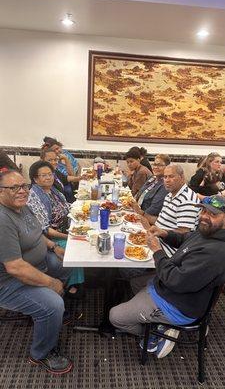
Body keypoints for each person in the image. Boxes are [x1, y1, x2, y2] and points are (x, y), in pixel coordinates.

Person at [110, 195, 225, 359]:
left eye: (213, 214)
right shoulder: (207, 232)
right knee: (135, 282)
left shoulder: (215, 253)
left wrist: (157, 251)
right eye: (203, 210)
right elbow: (186, 239)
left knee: (115, 317)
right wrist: (165, 233)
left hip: (179, 304)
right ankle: (158, 322)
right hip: (173, 288)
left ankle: (155, 332)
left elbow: (175, 280)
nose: (204, 216)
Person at [0, 169, 73, 374]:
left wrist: (53, 246)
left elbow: (37, 234)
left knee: (68, 262)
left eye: (24, 186)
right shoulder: (2, 220)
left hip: (37, 264)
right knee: (53, 304)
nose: (22, 191)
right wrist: (51, 283)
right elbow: (15, 267)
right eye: (14, 187)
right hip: (9, 282)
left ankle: (50, 316)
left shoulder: (22, 207)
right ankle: (41, 354)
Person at [27, 160, 84, 295]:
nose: (49, 177)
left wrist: (80, 209)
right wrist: (69, 236)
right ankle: (71, 286)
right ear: (35, 179)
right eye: (44, 175)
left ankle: (73, 282)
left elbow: (65, 206)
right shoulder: (34, 196)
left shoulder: (52, 190)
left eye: (50, 174)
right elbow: (44, 229)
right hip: (51, 237)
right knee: (76, 247)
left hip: (67, 227)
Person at [130, 154, 170, 225]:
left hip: (146, 220)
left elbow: (152, 211)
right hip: (136, 211)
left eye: (159, 165)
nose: (156, 167)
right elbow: (140, 192)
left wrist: (138, 211)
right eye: (154, 164)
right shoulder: (153, 178)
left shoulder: (164, 186)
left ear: (167, 167)